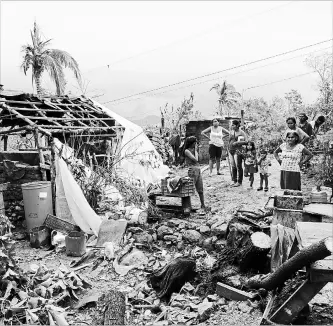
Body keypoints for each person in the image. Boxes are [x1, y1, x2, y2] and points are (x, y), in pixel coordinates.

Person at [184, 136, 206, 210]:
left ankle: (203, 205)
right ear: (192, 143)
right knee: (189, 189)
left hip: (198, 170)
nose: (196, 144)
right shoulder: (187, 151)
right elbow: (195, 159)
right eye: (195, 142)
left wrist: (196, 150)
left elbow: (199, 159)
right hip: (192, 170)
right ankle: (188, 206)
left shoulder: (194, 150)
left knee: (200, 189)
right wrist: (196, 150)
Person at [228, 120, 247, 187]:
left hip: (238, 150)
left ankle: (239, 181)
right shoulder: (231, 132)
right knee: (233, 166)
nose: (232, 126)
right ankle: (234, 180)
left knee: (238, 166)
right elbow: (229, 140)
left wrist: (238, 143)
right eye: (231, 125)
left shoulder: (242, 132)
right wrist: (227, 148)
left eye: (233, 125)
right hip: (230, 150)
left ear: (237, 125)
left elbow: (246, 142)